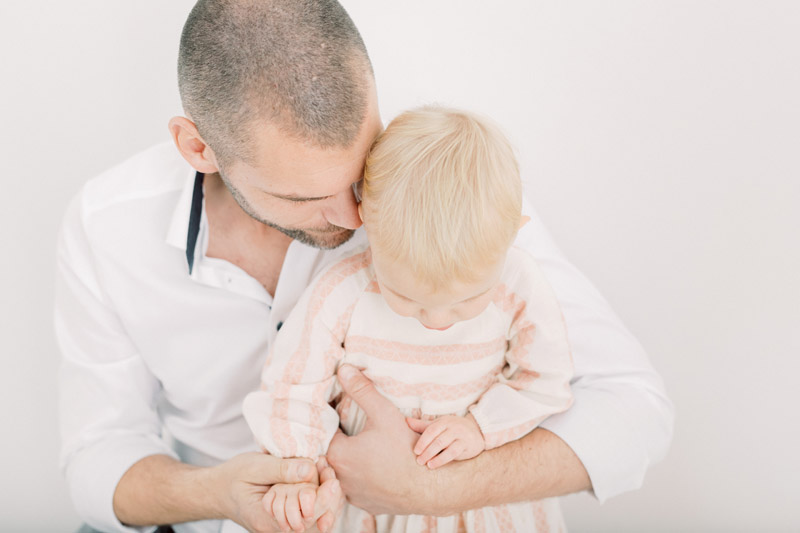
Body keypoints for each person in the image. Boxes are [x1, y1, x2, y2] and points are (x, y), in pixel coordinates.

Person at [55, 1, 674, 532]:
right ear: (199, 148)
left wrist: (429, 489)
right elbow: (97, 453)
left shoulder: (440, 195)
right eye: (303, 197)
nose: (356, 220)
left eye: (360, 174)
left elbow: (635, 410)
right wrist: (220, 494)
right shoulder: (107, 225)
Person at [242, 106, 575, 532]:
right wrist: (300, 470)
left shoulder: (520, 283)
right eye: (406, 296)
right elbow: (293, 388)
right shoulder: (344, 291)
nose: (436, 321)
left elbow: (544, 379)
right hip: (369, 503)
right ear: (367, 226)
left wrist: (481, 427)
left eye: (468, 298)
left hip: (481, 505)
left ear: (513, 235)